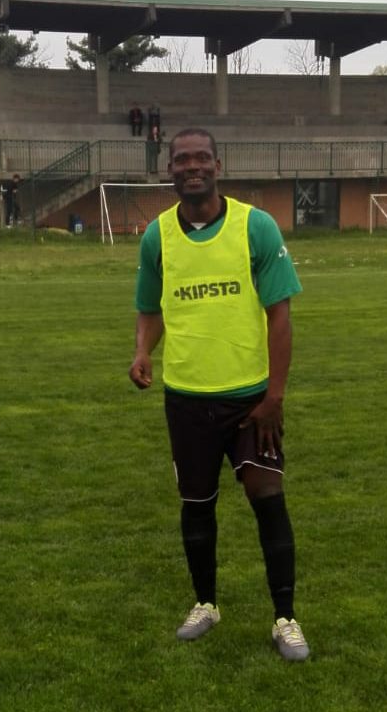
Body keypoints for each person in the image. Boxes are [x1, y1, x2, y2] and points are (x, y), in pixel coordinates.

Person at [128, 127, 310, 662]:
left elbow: (280, 316)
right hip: (186, 397)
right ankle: (205, 604)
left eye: (202, 158)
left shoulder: (255, 226)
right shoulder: (157, 237)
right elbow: (151, 307)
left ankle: (285, 618)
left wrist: (275, 395)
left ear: (218, 165)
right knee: (196, 504)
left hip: (251, 399)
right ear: (169, 169)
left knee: (267, 498)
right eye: (182, 159)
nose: (192, 166)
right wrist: (142, 352)